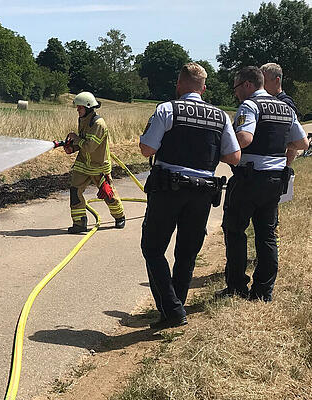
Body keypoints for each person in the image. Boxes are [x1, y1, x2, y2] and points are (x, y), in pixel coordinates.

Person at [138, 62, 241, 329]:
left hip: (167, 189)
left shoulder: (167, 109)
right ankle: (176, 307)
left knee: (152, 248)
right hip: (202, 192)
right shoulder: (220, 116)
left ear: (179, 85)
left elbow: (147, 149)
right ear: (203, 89)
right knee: (187, 252)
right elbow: (234, 156)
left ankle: (171, 310)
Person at [218, 66, 309, 302]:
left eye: (236, 87)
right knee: (267, 234)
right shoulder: (286, 108)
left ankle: (237, 286)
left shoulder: (250, 106)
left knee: (236, 231)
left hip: (249, 178)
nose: (236, 93)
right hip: (275, 181)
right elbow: (302, 143)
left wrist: (222, 148)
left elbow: (245, 138)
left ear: (248, 85)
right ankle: (263, 291)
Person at [62, 92, 125, 234]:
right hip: (83, 165)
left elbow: (90, 146)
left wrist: (76, 138)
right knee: (74, 192)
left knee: (108, 194)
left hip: (99, 166)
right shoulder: (82, 120)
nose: (78, 111)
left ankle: (119, 216)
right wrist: (72, 148)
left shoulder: (98, 124)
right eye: (77, 108)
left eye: (80, 108)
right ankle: (79, 223)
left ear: (89, 107)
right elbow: (83, 143)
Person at [261, 63, 303, 165]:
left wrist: (286, 166)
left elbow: (295, 139)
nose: (261, 85)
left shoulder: (286, 103)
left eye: (264, 81)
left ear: (277, 80)